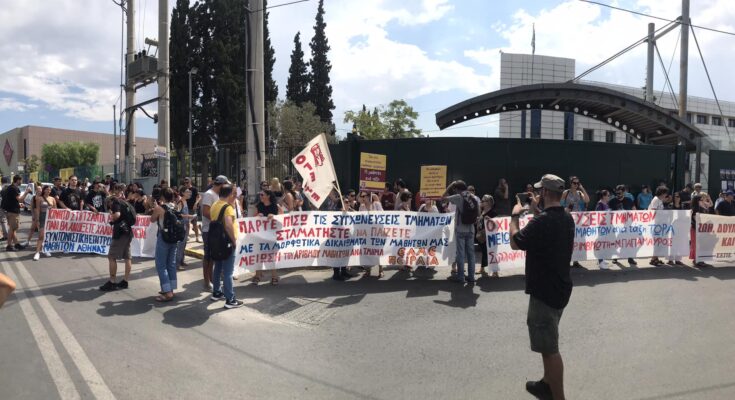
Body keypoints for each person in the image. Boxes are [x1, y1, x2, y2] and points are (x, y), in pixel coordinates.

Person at [509, 174, 575, 400]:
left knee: (549, 349)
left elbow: (515, 242)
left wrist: (515, 216)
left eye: (540, 191)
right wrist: (537, 211)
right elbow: (547, 231)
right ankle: (547, 383)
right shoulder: (566, 217)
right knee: (548, 342)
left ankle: (558, 396)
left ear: (545, 192)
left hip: (545, 292)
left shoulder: (543, 221)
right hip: (559, 287)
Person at [208, 184, 244, 309]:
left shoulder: (215, 205)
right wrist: (234, 241)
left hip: (216, 242)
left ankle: (216, 292)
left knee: (218, 267)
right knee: (228, 272)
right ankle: (230, 299)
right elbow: (228, 225)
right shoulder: (227, 208)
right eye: (233, 193)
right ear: (230, 194)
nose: (234, 195)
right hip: (226, 242)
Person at [99, 184, 134, 291]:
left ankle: (112, 282)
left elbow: (117, 215)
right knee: (127, 257)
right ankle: (125, 281)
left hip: (120, 233)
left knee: (111, 257)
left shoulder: (115, 202)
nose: (110, 208)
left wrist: (112, 217)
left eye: (109, 206)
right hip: (128, 232)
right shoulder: (125, 202)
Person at [443, 180, 478, 284]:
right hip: (471, 229)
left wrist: (450, 185)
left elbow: (443, 198)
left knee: (461, 254)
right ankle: (471, 277)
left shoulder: (458, 197)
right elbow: (478, 213)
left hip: (460, 229)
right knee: (471, 254)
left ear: (457, 189)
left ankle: (461, 277)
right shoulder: (473, 197)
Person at [149, 188, 181, 302]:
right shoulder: (175, 206)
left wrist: (155, 207)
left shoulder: (159, 208)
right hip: (174, 238)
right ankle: (171, 288)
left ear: (162, 196)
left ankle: (167, 292)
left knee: (161, 265)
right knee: (171, 264)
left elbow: (152, 220)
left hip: (164, 237)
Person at [201, 176, 229, 290]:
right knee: (208, 256)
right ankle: (207, 282)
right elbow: (205, 212)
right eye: (225, 184)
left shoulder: (217, 195)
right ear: (221, 184)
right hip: (208, 230)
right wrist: (219, 219)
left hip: (216, 229)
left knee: (213, 256)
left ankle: (212, 279)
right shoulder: (209, 194)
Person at [253, 189, 282, 284]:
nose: (260, 196)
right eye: (260, 195)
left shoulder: (276, 206)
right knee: (259, 255)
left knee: (271, 256)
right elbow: (252, 219)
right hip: (260, 235)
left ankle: (274, 277)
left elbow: (283, 218)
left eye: (262, 195)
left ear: (268, 196)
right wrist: (257, 216)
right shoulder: (259, 206)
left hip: (272, 235)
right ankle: (257, 276)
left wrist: (274, 216)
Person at [607, 185, 638, 266]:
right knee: (617, 241)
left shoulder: (629, 200)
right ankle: (615, 257)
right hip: (616, 226)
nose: (618, 194)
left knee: (629, 242)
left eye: (620, 193)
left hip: (628, 225)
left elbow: (634, 210)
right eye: (617, 193)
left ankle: (630, 258)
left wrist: (634, 219)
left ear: (624, 192)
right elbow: (608, 212)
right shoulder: (612, 201)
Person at [1, 175, 32, 251]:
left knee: (13, 228)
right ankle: (9, 245)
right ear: (17, 180)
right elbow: (20, 199)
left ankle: (16, 244)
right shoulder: (14, 188)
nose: (21, 182)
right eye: (21, 180)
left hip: (10, 211)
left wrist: (18, 204)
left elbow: (12, 200)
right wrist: (26, 192)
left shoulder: (10, 187)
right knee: (12, 229)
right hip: (13, 212)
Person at [359, 191, 384, 278]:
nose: (362, 198)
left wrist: (373, 213)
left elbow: (383, 215)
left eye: (364, 196)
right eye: (361, 196)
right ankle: (368, 270)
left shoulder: (376, 204)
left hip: (376, 232)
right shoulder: (361, 207)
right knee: (367, 251)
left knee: (378, 251)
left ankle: (381, 270)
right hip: (366, 233)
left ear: (369, 196)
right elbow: (359, 218)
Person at [32, 185, 56, 261]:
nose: (49, 191)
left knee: (48, 236)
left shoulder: (52, 199)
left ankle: (45, 249)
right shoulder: (39, 198)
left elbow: (55, 210)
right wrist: (37, 220)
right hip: (42, 218)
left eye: (50, 190)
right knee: (41, 236)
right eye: (47, 189)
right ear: (44, 190)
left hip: (50, 218)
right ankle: (37, 252)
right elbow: (38, 210)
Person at [477, 194, 499, 278]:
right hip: (482, 236)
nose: (481, 202)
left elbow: (497, 224)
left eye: (483, 201)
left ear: (489, 202)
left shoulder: (493, 212)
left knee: (492, 253)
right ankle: (482, 268)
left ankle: (495, 272)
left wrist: (489, 219)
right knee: (484, 252)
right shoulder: (482, 211)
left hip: (490, 236)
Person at [648, 186, 670, 266]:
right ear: (662, 193)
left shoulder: (660, 200)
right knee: (656, 242)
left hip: (659, 224)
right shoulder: (656, 200)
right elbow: (653, 211)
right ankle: (653, 259)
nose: (666, 195)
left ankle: (656, 258)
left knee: (658, 242)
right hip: (655, 224)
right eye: (665, 193)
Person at [690, 194, 712, 268]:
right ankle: (697, 260)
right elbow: (696, 219)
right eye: (701, 200)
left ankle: (699, 260)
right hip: (695, 229)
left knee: (700, 245)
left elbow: (710, 205)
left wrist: (708, 198)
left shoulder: (701, 208)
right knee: (696, 245)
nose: (703, 201)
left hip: (700, 229)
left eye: (703, 200)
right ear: (697, 201)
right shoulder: (695, 209)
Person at [183, 177, 201, 242]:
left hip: (192, 208)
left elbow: (199, 197)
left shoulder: (194, 189)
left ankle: (197, 237)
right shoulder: (184, 189)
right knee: (186, 223)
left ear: (190, 182)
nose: (186, 184)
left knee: (194, 223)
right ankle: (186, 236)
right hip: (185, 208)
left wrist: (196, 203)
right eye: (185, 183)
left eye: (187, 182)